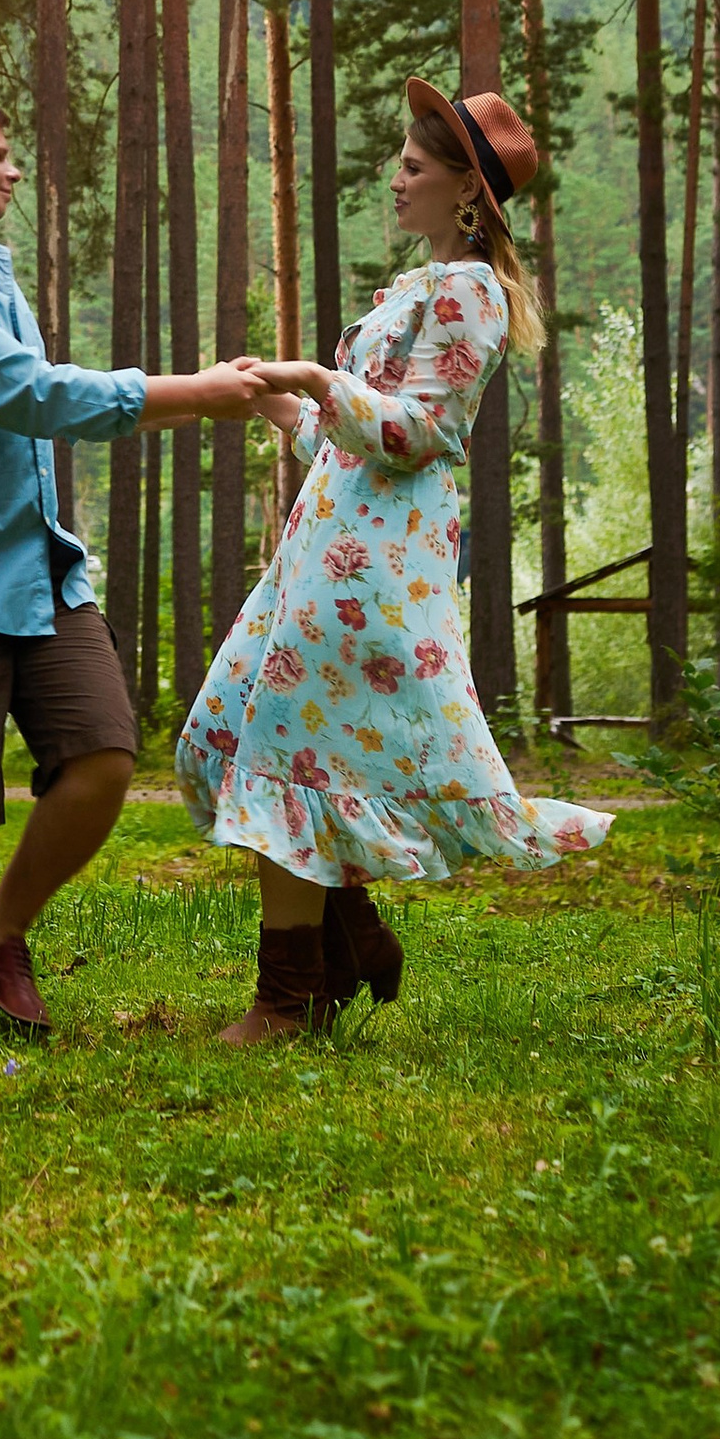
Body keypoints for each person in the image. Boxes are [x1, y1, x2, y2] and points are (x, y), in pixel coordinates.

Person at [178, 79, 613, 1044]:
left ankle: (289, 999)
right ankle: (354, 936)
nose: (394, 179)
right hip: (319, 554)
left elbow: (419, 433)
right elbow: (358, 437)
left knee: (283, 763)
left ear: (467, 190)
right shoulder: (422, 287)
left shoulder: (470, 292)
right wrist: (282, 404)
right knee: (222, 736)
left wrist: (316, 377)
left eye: (413, 166)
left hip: (370, 571)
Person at [0, 82, 278, 1043]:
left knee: (102, 756)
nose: (12, 168)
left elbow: (43, 405)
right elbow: (30, 394)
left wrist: (208, 396)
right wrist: (200, 393)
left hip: (38, 572)